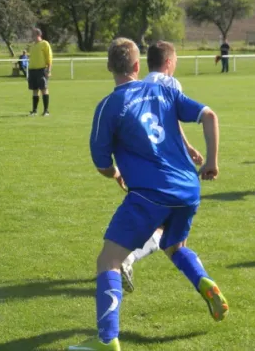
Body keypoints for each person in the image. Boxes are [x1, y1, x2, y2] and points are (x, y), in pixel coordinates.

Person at [69, 38, 228, 351]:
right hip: (188, 190)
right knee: (174, 245)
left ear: (108, 67)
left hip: (150, 194)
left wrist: (116, 174)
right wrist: (210, 161)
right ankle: (204, 282)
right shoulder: (165, 89)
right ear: (138, 66)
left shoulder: (107, 107)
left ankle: (107, 340)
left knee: (109, 261)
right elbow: (209, 115)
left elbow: (101, 163)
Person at [120, 40, 204, 293]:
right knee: (173, 235)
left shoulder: (143, 83)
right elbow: (174, 119)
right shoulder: (171, 84)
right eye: (176, 59)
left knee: (159, 223)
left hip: (145, 162)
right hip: (170, 165)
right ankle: (131, 257)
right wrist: (186, 150)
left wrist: (188, 146)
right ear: (168, 62)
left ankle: (128, 256)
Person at [28, 28, 52, 116]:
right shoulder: (33, 45)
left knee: (44, 89)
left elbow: (49, 57)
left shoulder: (44, 44)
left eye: (33, 34)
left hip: (41, 70)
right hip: (32, 70)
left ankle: (46, 111)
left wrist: (48, 69)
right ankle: (34, 110)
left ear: (38, 34)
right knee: (35, 90)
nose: (31, 35)